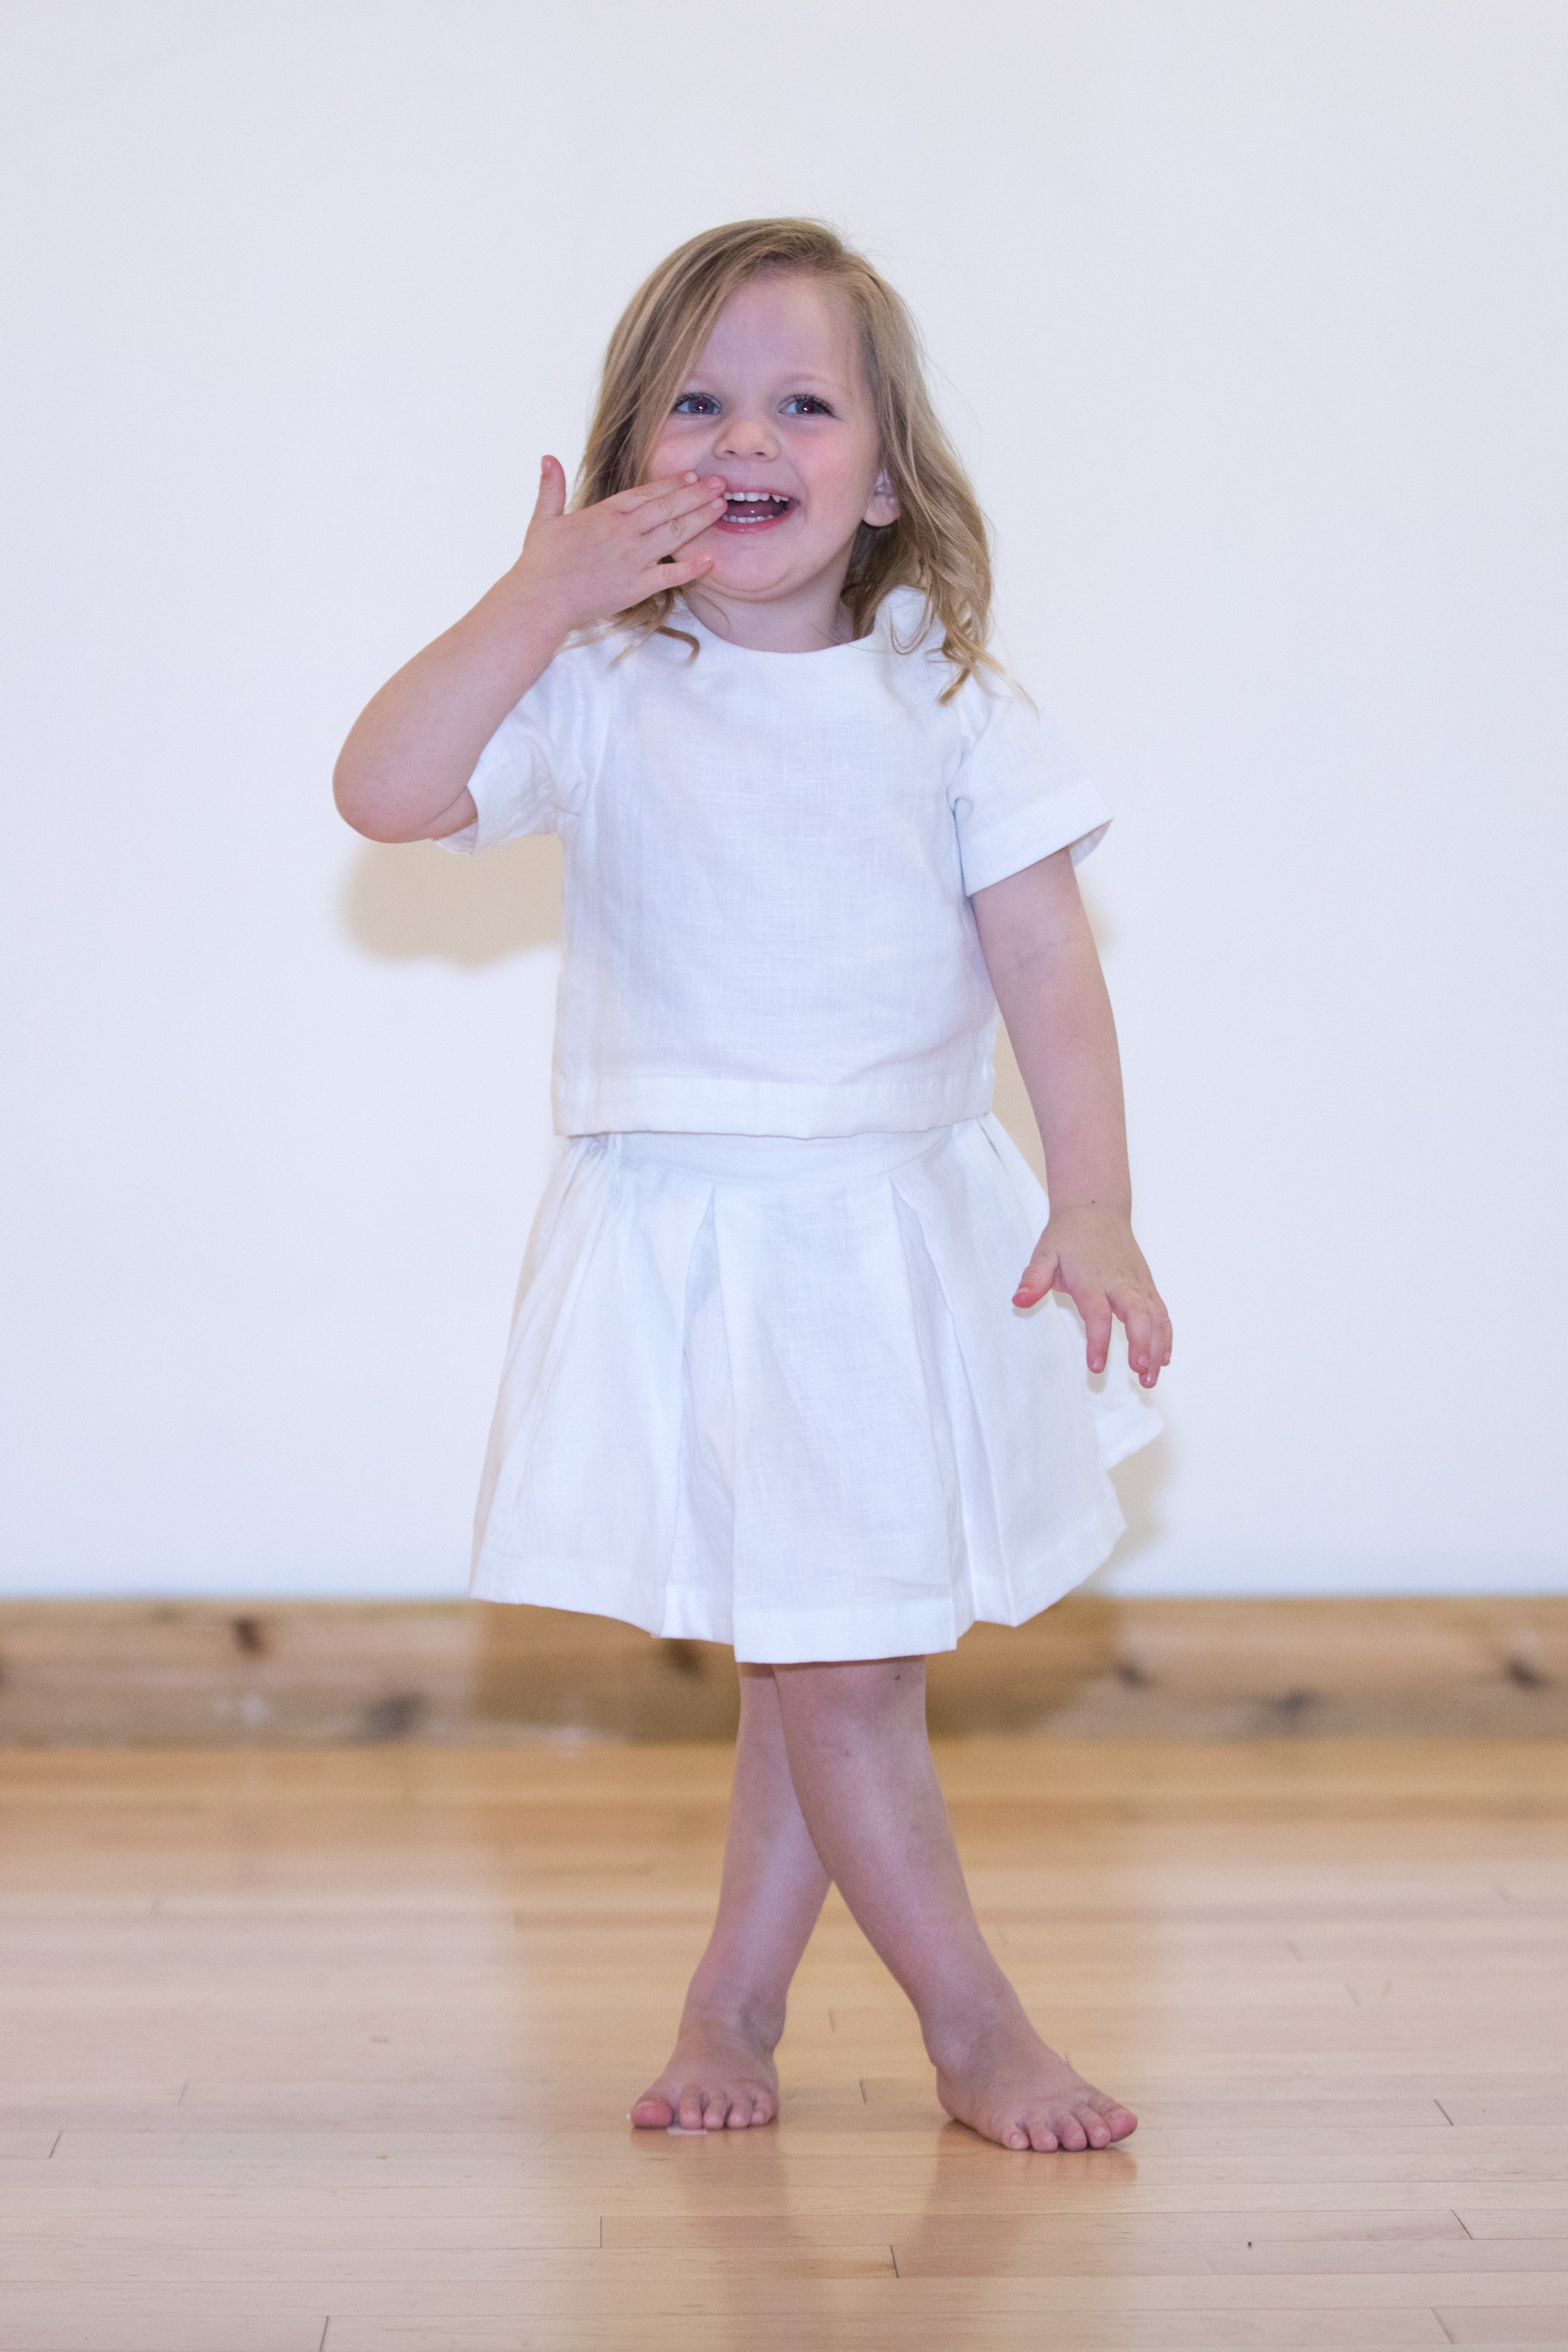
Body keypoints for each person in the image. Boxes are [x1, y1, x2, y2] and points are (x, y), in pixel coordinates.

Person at [334, 217, 1171, 2155]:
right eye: (699, 401)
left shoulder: (943, 692)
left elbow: (1050, 960)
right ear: (636, 458)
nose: (748, 435)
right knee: (829, 1655)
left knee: (829, 1651)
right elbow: (384, 787)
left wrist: (1099, 1196)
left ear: (884, 475)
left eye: (803, 401)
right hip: (688, 1240)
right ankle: (968, 2023)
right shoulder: (609, 690)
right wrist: (530, 602)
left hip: (885, 1236)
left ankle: (750, 1993)